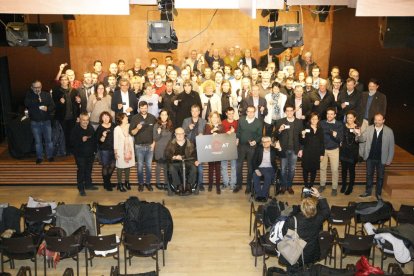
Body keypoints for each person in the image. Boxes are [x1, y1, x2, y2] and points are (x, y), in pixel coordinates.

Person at [280, 187, 330, 274]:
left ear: (302, 208)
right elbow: (326, 211)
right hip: (312, 253)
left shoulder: (293, 220)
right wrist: (319, 196)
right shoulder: (318, 219)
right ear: (315, 208)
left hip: (295, 255)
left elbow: (284, 233)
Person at [357, 113, 394, 200]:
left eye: (379, 120)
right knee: (369, 175)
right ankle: (368, 192)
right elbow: (361, 140)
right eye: (375, 120)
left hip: (382, 158)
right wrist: (358, 135)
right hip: (370, 157)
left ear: (383, 121)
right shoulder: (369, 129)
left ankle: (378, 194)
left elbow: (391, 147)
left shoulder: (389, 131)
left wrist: (389, 160)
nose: (377, 121)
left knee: (380, 177)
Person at [274, 104, 303, 195]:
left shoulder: (299, 122)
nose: (289, 112)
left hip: (295, 149)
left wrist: (301, 149)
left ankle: (289, 186)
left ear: (294, 111)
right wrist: (279, 130)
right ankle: (283, 186)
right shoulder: (280, 121)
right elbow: (275, 135)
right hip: (283, 150)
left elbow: (302, 137)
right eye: (287, 111)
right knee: (283, 169)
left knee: (292, 169)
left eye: (291, 110)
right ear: (285, 112)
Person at [24, 80, 55, 164]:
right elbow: (27, 104)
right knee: (38, 142)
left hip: (46, 121)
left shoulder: (46, 94)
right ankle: (39, 157)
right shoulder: (29, 95)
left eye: (39, 87)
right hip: (35, 122)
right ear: (32, 87)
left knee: (49, 140)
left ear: (41, 86)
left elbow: (52, 105)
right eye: (35, 87)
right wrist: (36, 97)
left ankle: (50, 156)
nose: (37, 89)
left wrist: (47, 108)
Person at [234, 105, 263, 193]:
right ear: (246, 112)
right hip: (241, 146)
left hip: (252, 147)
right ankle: (238, 185)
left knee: (250, 167)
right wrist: (237, 138)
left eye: (252, 111)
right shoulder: (241, 120)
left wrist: (255, 141)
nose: (250, 113)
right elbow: (238, 131)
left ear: (255, 112)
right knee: (238, 166)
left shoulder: (258, 122)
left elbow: (259, 135)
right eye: (249, 111)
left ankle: (248, 186)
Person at [130, 101, 157, 191]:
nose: (143, 109)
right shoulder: (134, 118)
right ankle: (141, 184)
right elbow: (131, 133)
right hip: (139, 146)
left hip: (150, 146)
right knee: (140, 167)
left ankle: (148, 183)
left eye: (145, 108)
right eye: (141, 108)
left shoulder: (153, 118)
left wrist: (154, 143)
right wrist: (137, 128)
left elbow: (156, 133)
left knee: (149, 167)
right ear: (139, 108)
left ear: (147, 108)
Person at [70, 112, 97, 196]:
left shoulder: (90, 127)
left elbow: (94, 140)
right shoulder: (75, 129)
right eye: (83, 120)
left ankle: (88, 185)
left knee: (88, 170)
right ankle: (81, 188)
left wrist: (94, 151)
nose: (85, 122)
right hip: (80, 155)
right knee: (81, 171)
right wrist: (80, 140)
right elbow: (71, 143)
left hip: (90, 154)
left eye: (87, 120)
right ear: (80, 120)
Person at [165, 127, 198, 195]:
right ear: (175, 134)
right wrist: (174, 157)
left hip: (187, 161)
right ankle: (178, 185)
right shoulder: (171, 143)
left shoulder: (190, 143)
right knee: (171, 168)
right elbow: (167, 154)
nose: (180, 135)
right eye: (177, 134)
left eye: (181, 133)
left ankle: (189, 185)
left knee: (194, 168)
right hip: (175, 162)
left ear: (184, 134)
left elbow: (194, 154)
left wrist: (196, 161)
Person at [319, 107, 343, 196]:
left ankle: (334, 187)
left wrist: (335, 135)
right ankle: (322, 185)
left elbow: (340, 138)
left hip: (334, 150)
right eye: (328, 114)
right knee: (322, 168)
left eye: (331, 114)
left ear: (335, 115)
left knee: (334, 169)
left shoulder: (339, 124)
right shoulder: (321, 123)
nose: (329, 115)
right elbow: (320, 135)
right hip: (323, 149)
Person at [182, 104, 207, 191]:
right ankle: (190, 184)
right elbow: (182, 134)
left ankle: (200, 184)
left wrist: (202, 135)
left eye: (196, 111)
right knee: (189, 167)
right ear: (191, 112)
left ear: (199, 112)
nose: (195, 112)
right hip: (188, 147)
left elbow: (207, 134)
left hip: (200, 147)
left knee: (200, 167)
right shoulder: (186, 121)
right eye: (193, 111)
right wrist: (188, 128)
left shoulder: (204, 121)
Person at [52, 74, 77, 155]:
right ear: (60, 81)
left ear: (68, 81)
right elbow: (53, 105)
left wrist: (78, 102)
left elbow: (76, 105)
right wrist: (60, 103)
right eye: (62, 80)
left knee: (72, 134)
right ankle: (64, 150)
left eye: (65, 79)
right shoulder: (56, 91)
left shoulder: (73, 90)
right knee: (63, 135)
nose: (64, 81)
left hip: (72, 117)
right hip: (62, 117)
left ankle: (71, 150)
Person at [300, 112, 324, 188]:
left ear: (318, 120)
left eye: (316, 119)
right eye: (312, 119)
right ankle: (306, 186)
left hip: (316, 153)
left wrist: (322, 154)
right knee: (305, 170)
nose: (314, 120)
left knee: (314, 170)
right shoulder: (305, 128)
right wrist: (303, 135)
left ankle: (311, 186)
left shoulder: (320, 129)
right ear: (310, 119)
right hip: (307, 152)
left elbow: (322, 143)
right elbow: (301, 142)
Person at [252, 136, 280, 202]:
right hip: (260, 167)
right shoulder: (259, 148)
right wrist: (256, 169)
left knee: (268, 176)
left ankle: (264, 195)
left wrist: (279, 148)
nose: (265, 143)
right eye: (263, 142)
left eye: (267, 142)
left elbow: (282, 155)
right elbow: (254, 160)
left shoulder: (273, 149)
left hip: (270, 168)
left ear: (270, 142)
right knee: (255, 175)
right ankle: (259, 195)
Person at [339, 110, 361, 195]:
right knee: (344, 170)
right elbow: (341, 137)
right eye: (348, 118)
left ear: (354, 118)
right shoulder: (343, 126)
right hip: (344, 150)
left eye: (351, 118)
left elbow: (359, 140)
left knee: (351, 170)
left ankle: (350, 187)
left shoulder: (357, 127)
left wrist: (357, 135)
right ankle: (344, 185)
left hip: (353, 151)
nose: (349, 119)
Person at [204, 111, 224, 194]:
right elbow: (205, 135)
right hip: (210, 150)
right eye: (213, 117)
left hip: (219, 150)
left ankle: (218, 186)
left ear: (218, 118)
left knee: (218, 168)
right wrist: (212, 132)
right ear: (210, 118)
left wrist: (218, 134)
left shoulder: (221, 126)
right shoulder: (208, 126)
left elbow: (224, 136)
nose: (215, 119)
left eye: (216, 117)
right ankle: (210, 185)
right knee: (211, 168)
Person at [153, 110, 174, 190]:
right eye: (162, 114)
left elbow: (171, 137)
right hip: (159, 148)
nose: (164, 116)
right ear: (160, 116)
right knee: (158, 167)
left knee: (166, 167)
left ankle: (166, 183)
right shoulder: (156, 125)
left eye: (165, 115)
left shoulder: (170, 124)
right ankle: (157, 183)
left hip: (168, 149)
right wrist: (158, 133)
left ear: (167, 116)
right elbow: (155, 138)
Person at [114, 112, 135, 192]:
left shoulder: (130, 126)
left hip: (129, 150)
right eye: (125, 117)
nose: (127, 118)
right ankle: (119, 184)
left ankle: (127, 182)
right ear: (121, 119)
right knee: (120, 166)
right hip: (120, 150)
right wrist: (115, 153)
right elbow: (115, 141)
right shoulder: (117, 129)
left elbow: (133, 135)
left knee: (128, 166)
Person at [95, 111, 115, 191]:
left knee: (113, 165)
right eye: (104, 117)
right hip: (104, 150)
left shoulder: (113, 125)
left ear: (110, 117)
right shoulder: (100, 128)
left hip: (113, 148)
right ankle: (107, 183)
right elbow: (98, 141)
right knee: (106, 166)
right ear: (101, 119)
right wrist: (103, 136)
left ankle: (107, 182)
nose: (106, 118)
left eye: (107, 117)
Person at [221, 107, 238, 190]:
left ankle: (233, 183)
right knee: (224, 166)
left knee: (233, 166)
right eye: (229, 113)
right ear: (226, 114)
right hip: (224, 148)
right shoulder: (223, 123)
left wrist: (237, 138)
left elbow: (239, 134)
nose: (231, 115)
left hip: (233, 148)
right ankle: (225, 183)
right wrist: (227, 133)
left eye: (232, 113)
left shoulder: (237, 123)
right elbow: (220, 135)